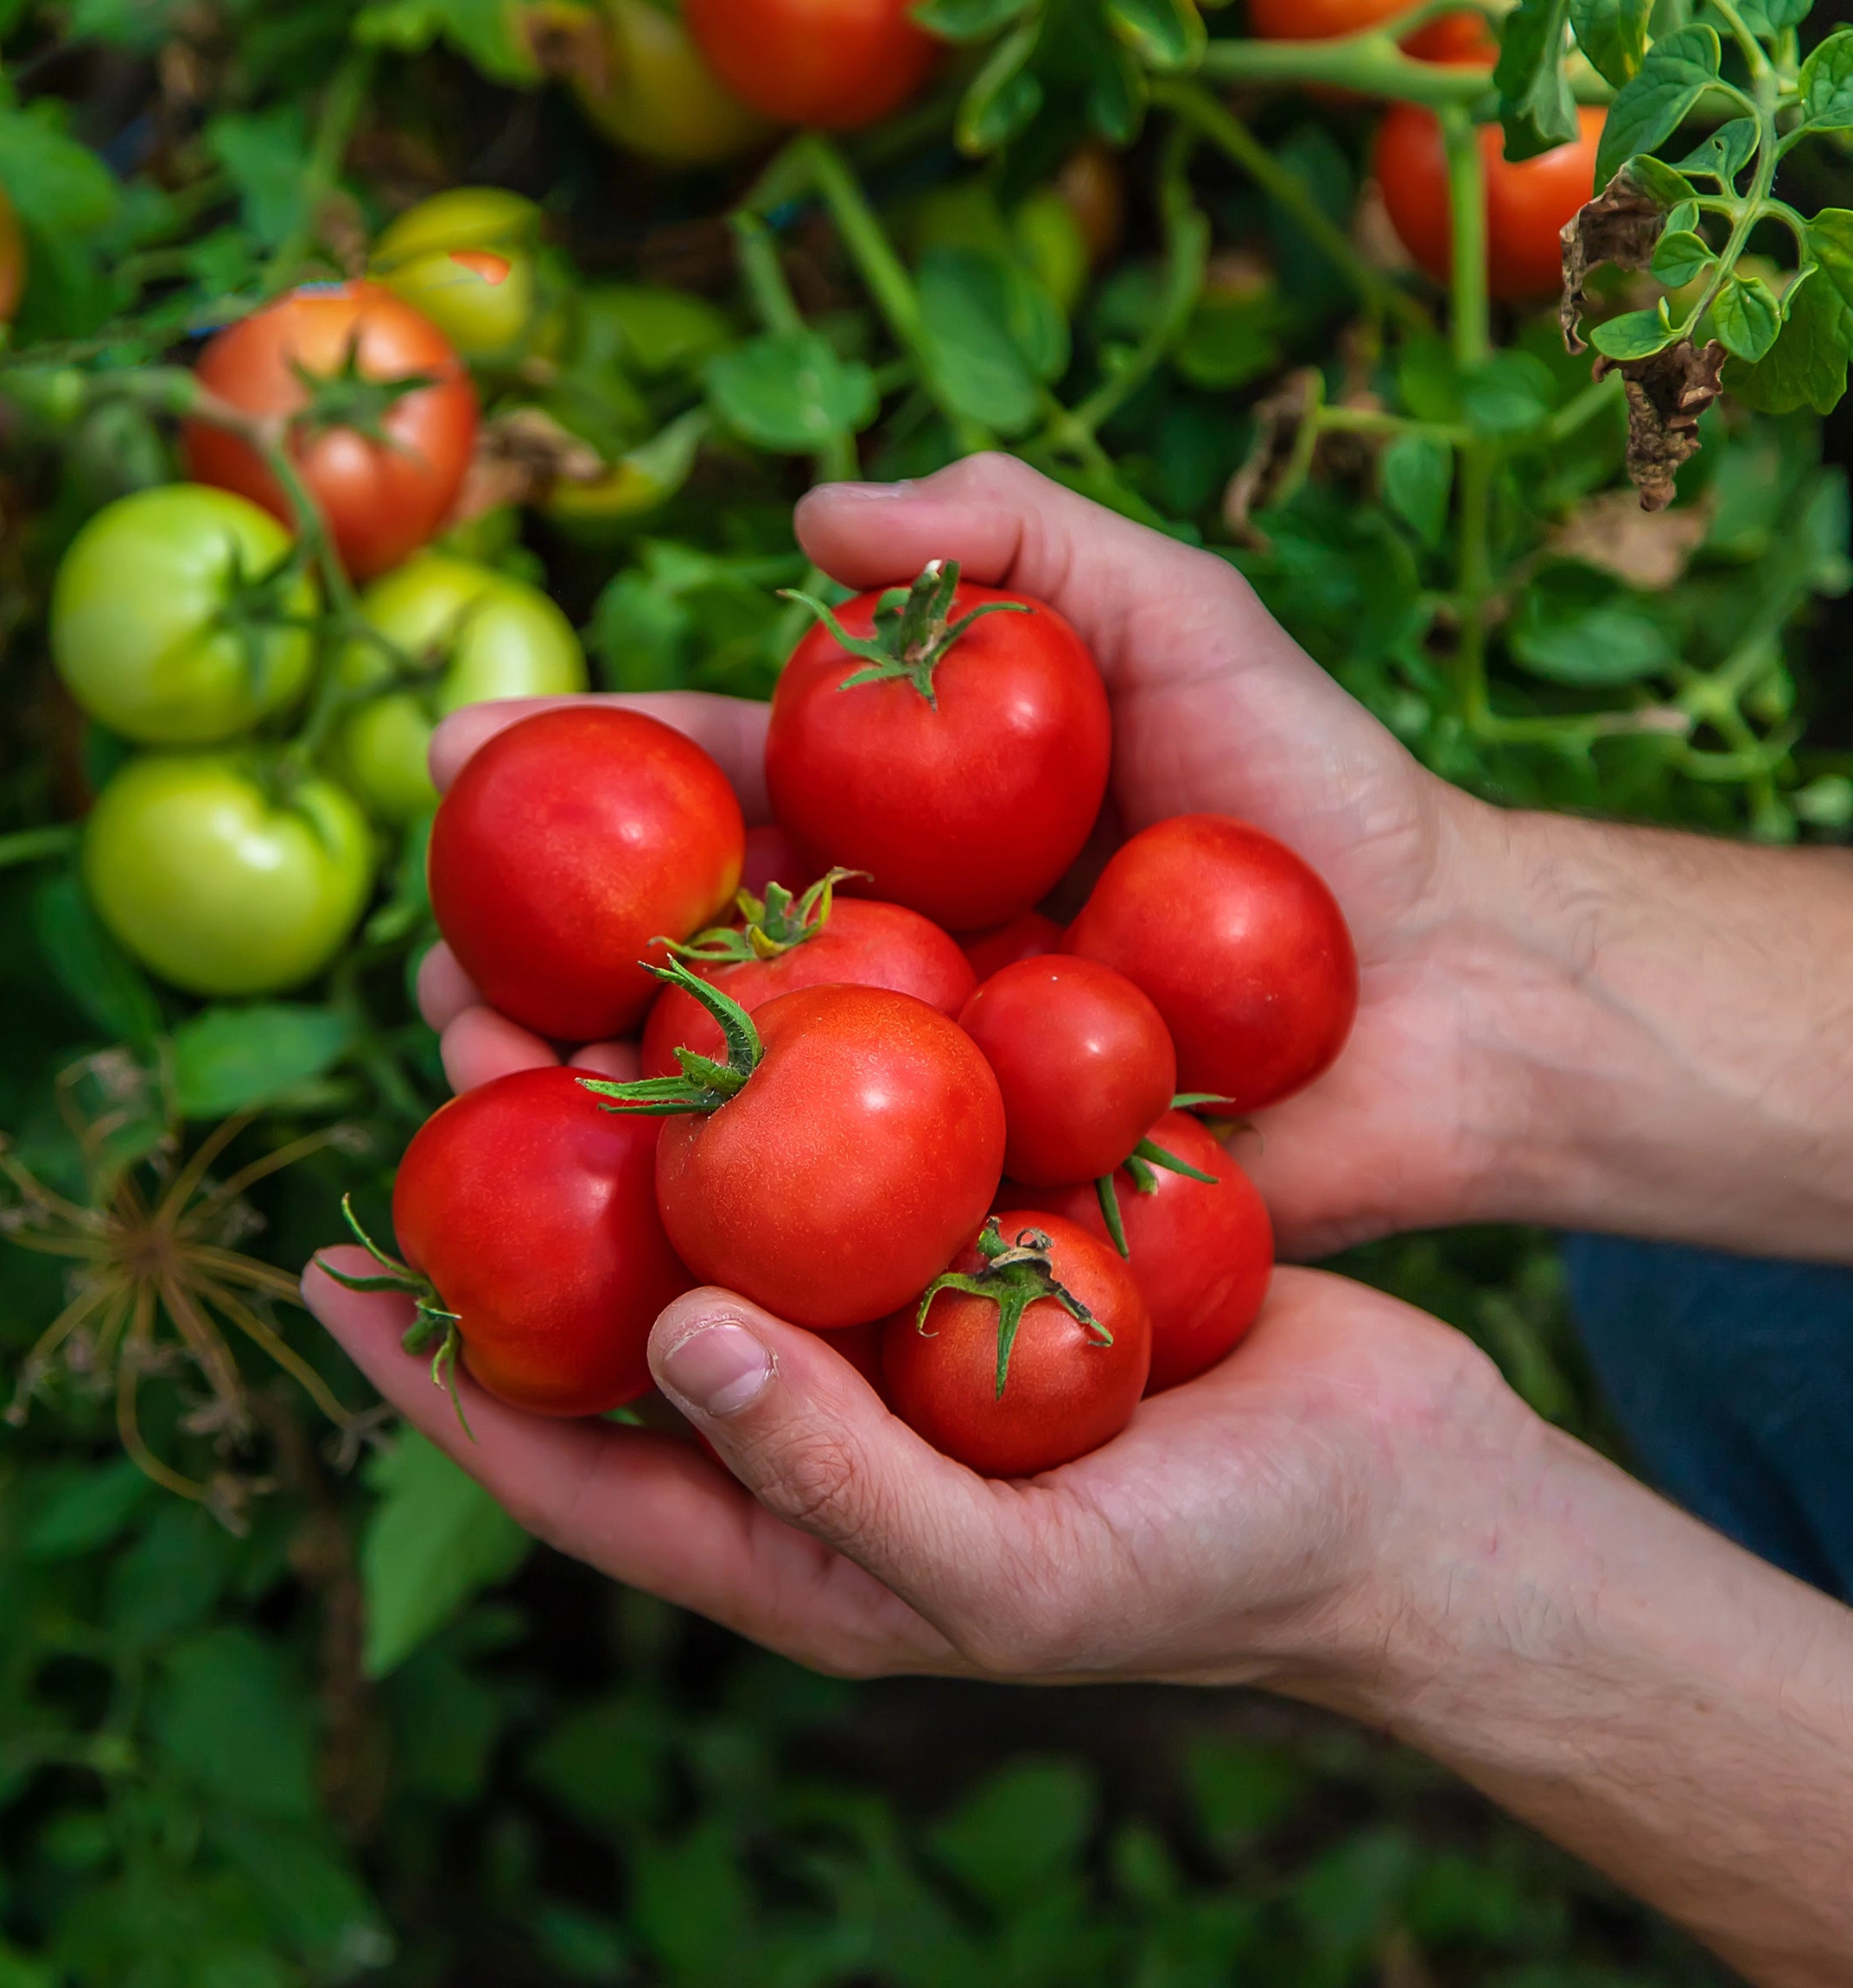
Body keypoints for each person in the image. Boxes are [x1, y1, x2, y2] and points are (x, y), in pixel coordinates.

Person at [305, 454, 1853, 1985]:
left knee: (1696, 1324)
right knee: (1697, 1312)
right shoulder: (834, 1059)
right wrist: (1493, 974)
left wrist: (1398, 1573)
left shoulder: (842, 1064)